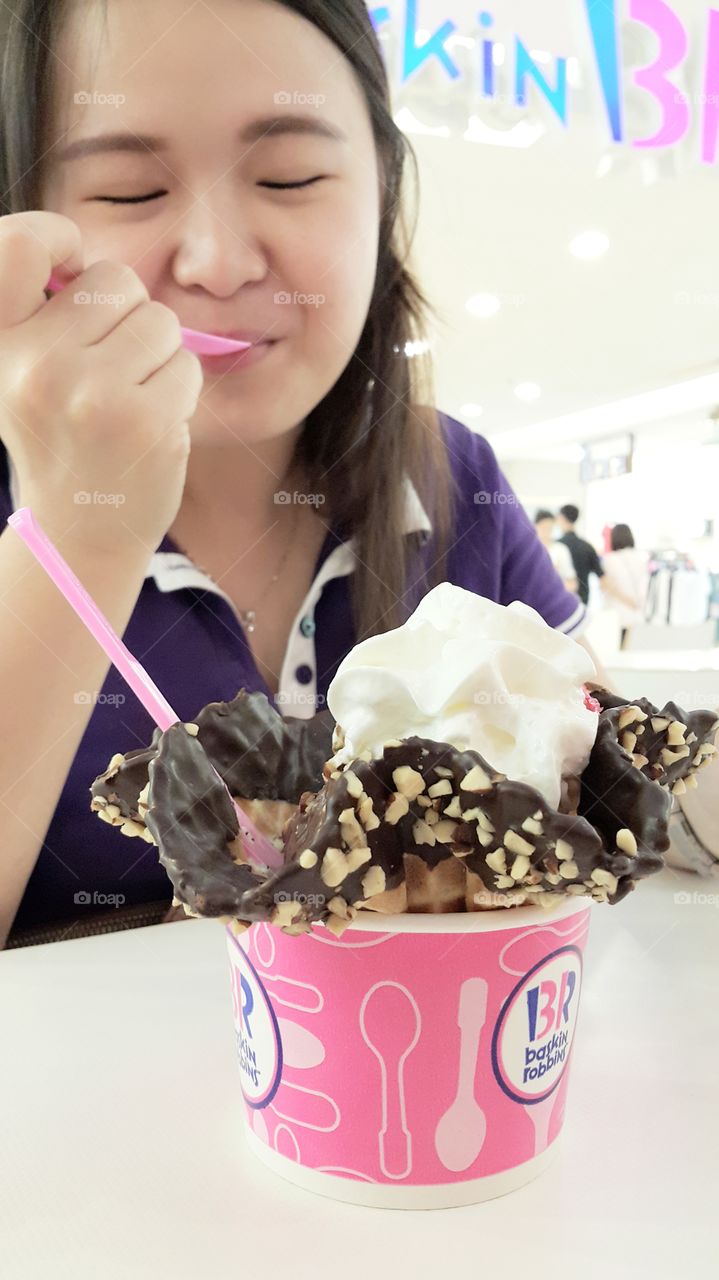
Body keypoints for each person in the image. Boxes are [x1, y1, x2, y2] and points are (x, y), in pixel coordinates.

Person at [0, 0, 605, 948]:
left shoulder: (450, 474)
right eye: (126, 192)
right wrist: (83, 531)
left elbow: (618, 788)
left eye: (289, 176)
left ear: (380, 193)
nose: (219, 262)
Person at [557, 504, 634, 616]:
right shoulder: (587, 547)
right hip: (582, 603)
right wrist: (627, 600)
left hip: (560, 602)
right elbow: (603, 579)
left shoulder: (556, 546)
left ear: (561, 518)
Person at [602, 524, 649, 649]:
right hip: (637, 613)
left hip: (617, 614)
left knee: (617, 653)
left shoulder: (609, 559)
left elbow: (607, 587)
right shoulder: (641, 558)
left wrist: (625, 600)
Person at [533, 509, 578, 593]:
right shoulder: (529, 550)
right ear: (535, 526)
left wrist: (555, 580)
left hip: (553, 598)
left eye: (549, 528)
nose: (546, 531)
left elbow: (572, 584)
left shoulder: (561, 550)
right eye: (543, 527)